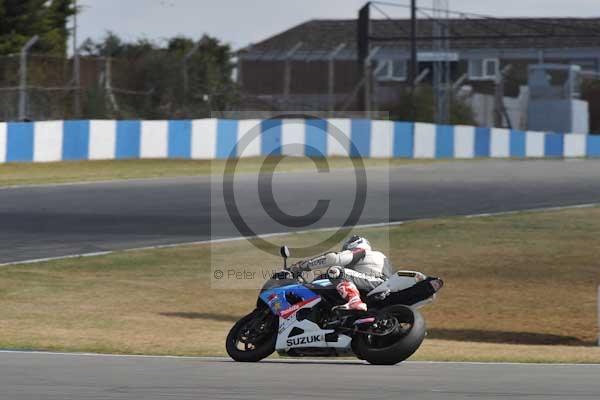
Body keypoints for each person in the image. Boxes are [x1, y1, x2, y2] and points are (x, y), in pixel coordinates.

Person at [290, 235, 394, 311]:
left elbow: (332, 258)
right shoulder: (377, 257)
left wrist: (301, 267)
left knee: (335, 271)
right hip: (381, 288)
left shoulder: (361, 251)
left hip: (376, 283)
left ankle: (354, 302)